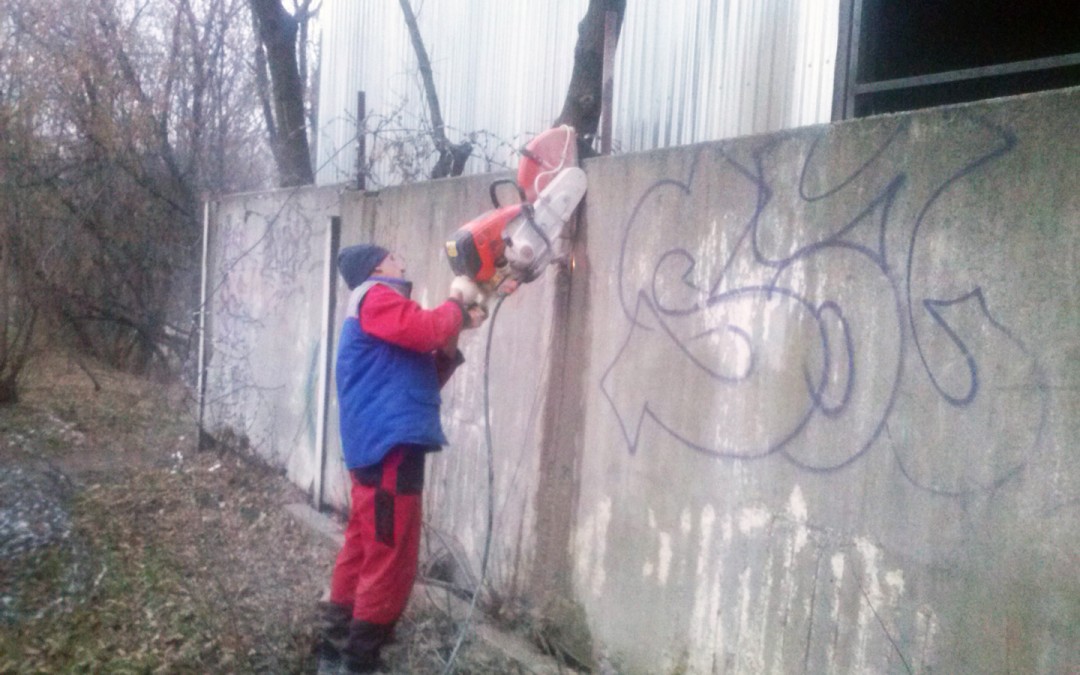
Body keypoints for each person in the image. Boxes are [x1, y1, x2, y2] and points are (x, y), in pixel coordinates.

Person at [316, 243, 486, 673]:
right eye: (395, 257)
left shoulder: (380, 315)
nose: (403, 262)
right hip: (390, 448)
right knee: (391, 559)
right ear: (376, 267)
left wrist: (456, 330)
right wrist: (455, 303)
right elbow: (426, 329)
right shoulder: (375, 296)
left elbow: (422, 376)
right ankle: (359, 662)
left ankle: (334, 651)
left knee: (363, 548)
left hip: (379, 445)